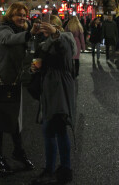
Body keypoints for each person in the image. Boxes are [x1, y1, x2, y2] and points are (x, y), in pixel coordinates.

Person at [0, 2, 35, 174]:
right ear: (10, 16)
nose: (22, 17)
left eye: (24, 14)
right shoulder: (2, 30)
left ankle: (18, 151)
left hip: (12, 81)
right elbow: (8, 40)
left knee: (14, 119)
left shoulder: (21, 33)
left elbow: (23, 58)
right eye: (18, 14)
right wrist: (29, 34)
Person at [30, 15, 77, 184]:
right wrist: (34, 67)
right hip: (47, 90)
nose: (46, 30)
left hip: (59, 91)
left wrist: (55, 33)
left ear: (57, 27)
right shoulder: (43, 43)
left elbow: (65, 49)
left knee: (55, 128)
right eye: (45, 27)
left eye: (49, 27)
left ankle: (60, 169)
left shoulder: (65, 39)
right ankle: (61, 169)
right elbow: (36, 61)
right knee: (51, 130)